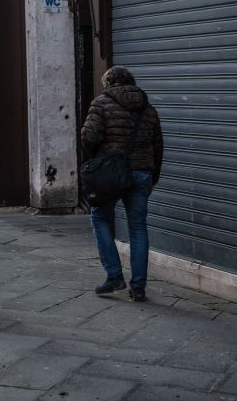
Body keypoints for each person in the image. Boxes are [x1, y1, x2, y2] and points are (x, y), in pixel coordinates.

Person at [80, 65, 163, 303]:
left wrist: (95, 159)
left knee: (99, 218)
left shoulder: (101, 103)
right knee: (138, 227)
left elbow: (89, 136)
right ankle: (138, 287)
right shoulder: (148, 108)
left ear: (108, 83)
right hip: (142, 172)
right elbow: (158, 145)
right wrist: (153, 176)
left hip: (111, 173)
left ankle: (114, 275)